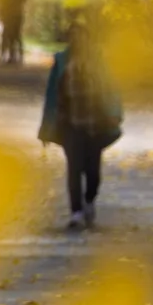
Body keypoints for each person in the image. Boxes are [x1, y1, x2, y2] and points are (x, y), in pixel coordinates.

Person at [38, 20, 123, 230]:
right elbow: (52, 95)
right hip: (71, 125)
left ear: (87, 38)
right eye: (73, 36)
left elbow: (112, 87)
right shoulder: (61, 62)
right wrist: (46, 127)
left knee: (93, 171)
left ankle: (89, 200)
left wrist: (114, 113)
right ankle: (76, 211)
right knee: (74, 169)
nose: (77, 40)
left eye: (81, 35)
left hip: (96, 124)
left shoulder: (99, 61)